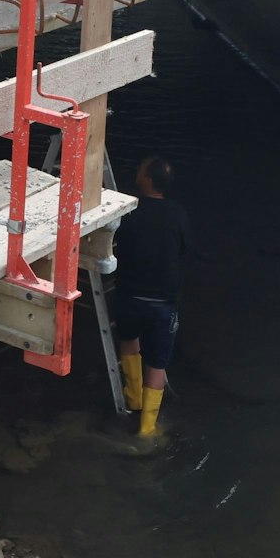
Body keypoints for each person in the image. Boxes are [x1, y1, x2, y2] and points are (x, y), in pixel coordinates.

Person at [114, 155, 186, 436]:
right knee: (157, 362)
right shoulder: (179, 214)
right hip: (163, 302)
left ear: (147, 179)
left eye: (141, 169)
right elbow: (184, 251)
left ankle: (133, 397)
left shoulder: (130, 210)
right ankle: (148, 427)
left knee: (129, 340)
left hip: (130, 295)